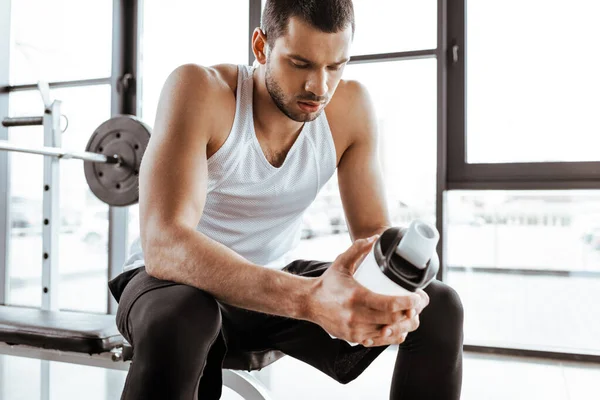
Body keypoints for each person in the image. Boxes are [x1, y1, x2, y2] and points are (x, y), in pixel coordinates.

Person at [108, 0, 463, 398]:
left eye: (335, 66)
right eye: (300, 64)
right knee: (186, 316)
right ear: (261, 47)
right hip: (172, 285)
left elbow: (371, 240)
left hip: (273, 285)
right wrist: (311, 300)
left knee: (437, 306)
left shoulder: (350, 108)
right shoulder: (201, 90)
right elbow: (164, 244)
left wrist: (394, 281)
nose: (319, 87)